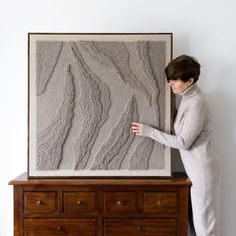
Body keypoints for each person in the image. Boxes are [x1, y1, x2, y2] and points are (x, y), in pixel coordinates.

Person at [132, 55, 221, 236]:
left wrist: (149, 132)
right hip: (196, 170)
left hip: (203, 171)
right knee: (196, 225)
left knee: (206, 228)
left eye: (174, 81)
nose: (170, 84)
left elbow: (183, 142)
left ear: (190, 81)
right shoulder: (186, 96)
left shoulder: (196, 103)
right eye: (170, 80)